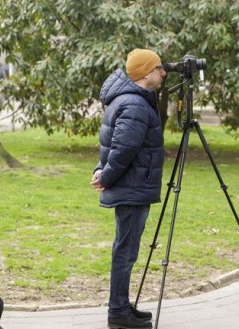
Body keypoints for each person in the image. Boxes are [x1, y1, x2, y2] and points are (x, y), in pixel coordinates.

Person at [90, 48, 166, 329]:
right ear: (146, 73)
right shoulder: (134, 104)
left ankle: (121, 306)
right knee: (125, 251)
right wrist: (106, 176)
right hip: (132, 188)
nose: (163, 73)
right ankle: (118, 313)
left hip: (132, 185)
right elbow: (123, 149)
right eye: (158, 68)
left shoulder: (130, 99)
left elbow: (113, 145)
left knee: (125, 249)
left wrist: (101, 170)